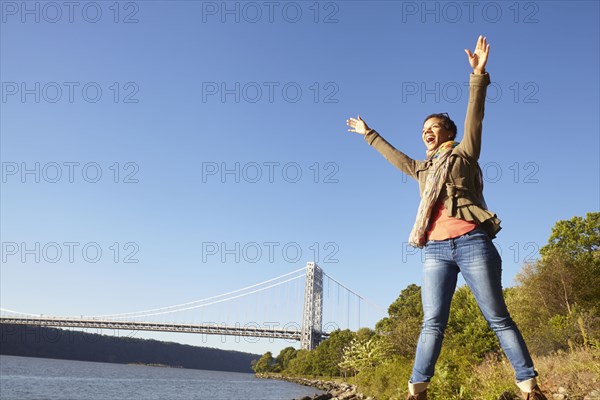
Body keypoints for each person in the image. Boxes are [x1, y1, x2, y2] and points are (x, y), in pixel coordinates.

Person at [345, 36, 548, 400]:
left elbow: (476, 114)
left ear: (448, 133)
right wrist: (368, 134)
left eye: (433, 126)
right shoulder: (422, 169)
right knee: (432, 323)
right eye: (423, 127)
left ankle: (529, 386)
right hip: (435, 250)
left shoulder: (464, 154)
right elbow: (396, 157)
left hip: (473, 243)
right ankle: (417, 391)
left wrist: (478, 75)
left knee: (497, 318)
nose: (426, 130)